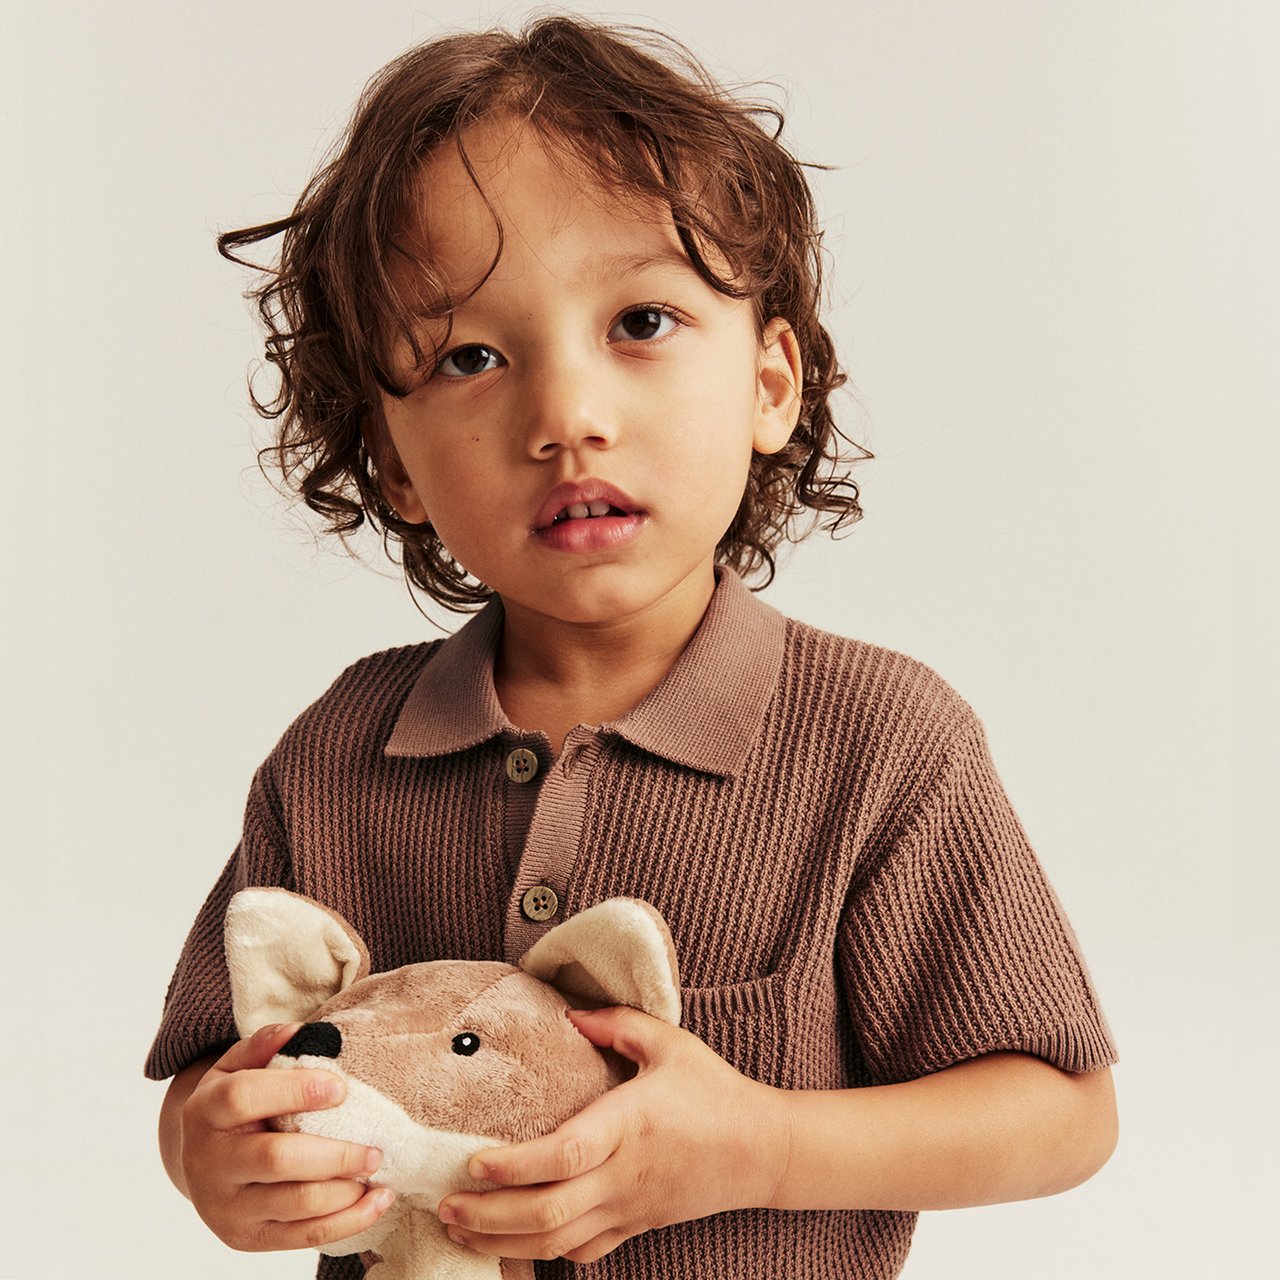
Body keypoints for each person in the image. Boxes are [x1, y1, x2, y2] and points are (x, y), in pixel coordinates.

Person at [147, 16, 1118, 1280]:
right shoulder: (339, 751)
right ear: (392, 461)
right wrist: (208, 1160)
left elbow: (1061, 1111)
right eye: (471, 355)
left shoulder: (879, 738)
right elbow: (207, 1079)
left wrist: (760, 1146)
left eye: (642, 321)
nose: (567, 417)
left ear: (771, 382)